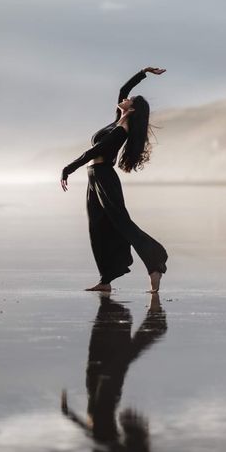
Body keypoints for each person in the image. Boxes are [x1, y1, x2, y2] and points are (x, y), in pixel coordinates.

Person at [60, 67, 168, 293]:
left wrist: (68, 168)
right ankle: (106, 280)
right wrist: (143, 72)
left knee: (122, 223)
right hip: (94, 178)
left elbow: (94, 151)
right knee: (97, 227)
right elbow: (123, 89)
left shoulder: (123, 129)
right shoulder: (118, 120)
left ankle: (154, 262)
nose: (125, 99)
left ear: (133, 109)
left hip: (104, 177)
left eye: (130, 100)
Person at [61, 292, 167, 452]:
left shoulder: (107, 445)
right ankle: (152, 331)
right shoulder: (108, 445)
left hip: (101, 394)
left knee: (111, 362)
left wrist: (69, 414)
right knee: (116, 364)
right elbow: (90, 431)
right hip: (106, 394)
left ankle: (144, 330)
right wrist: (69, 414)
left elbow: (88, 430)